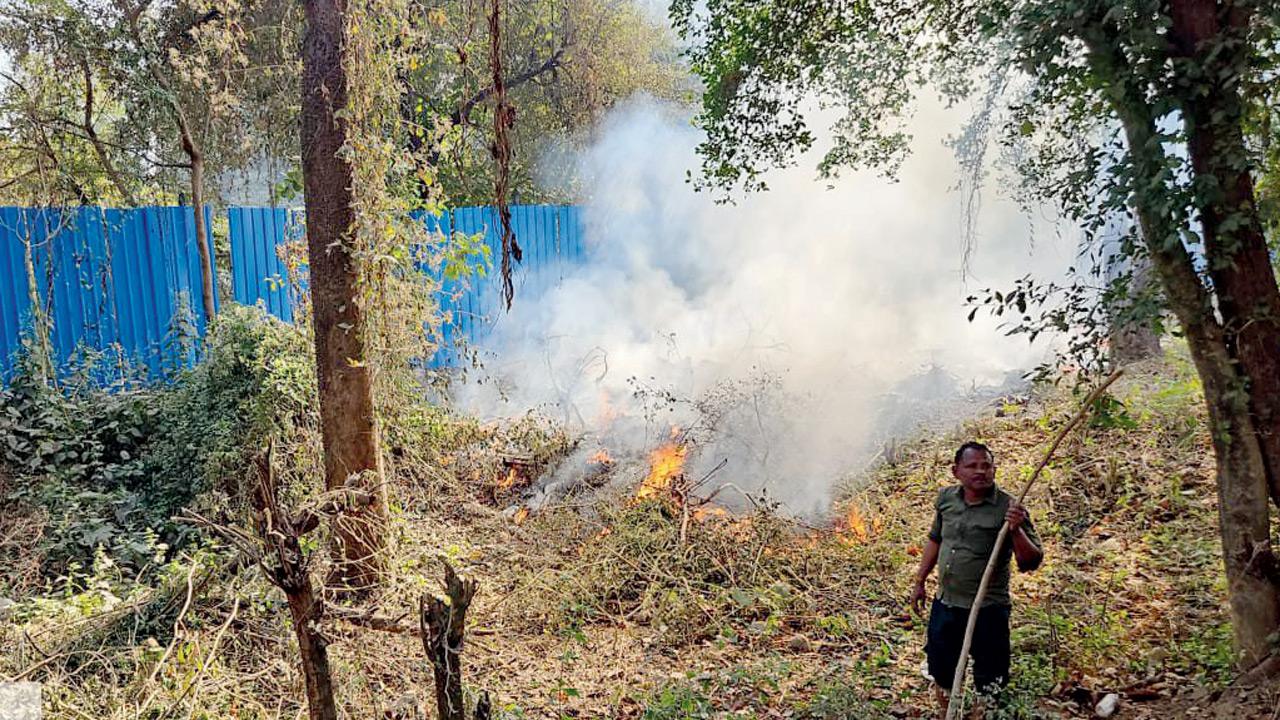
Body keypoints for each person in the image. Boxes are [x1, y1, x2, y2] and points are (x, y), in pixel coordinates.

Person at [909, 441, 1044, 718]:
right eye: (972, 466)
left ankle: (985, 713)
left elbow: (1031, 562)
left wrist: (1016, 530)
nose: (980, 471)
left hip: (987, 609)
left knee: (990, 674)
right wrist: (920, 580)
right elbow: (935, 539)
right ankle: (949, 712)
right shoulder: (947, 499)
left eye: (987, 466)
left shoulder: (1009, 508)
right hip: (946, 603)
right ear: (956, 471)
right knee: (942, 668)